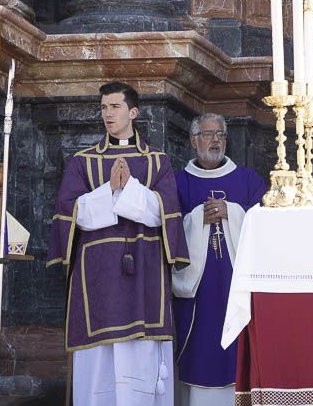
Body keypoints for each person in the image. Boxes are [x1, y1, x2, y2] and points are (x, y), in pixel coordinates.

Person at [47, 81, 189, 406]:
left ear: (133, 112)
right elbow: (71, 213)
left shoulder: (157, 161)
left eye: (114, 107)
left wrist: (129, 191)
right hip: (97, 276)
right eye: (103, 108)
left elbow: (164, 213)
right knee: (99, 367)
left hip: (144, 271)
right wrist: (109, 191)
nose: (107, 114)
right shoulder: (83, 161)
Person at [171, 114, 265, 406]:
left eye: (220, 135)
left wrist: (233, 212)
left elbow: (265, 221)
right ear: (193, 139)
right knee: (200, 347)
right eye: (208, 134)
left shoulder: (248, 180)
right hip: (198, 291)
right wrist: (198, 217)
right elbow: (167, 226)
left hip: (235, 284)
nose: (215, 140)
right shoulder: (179, 182)